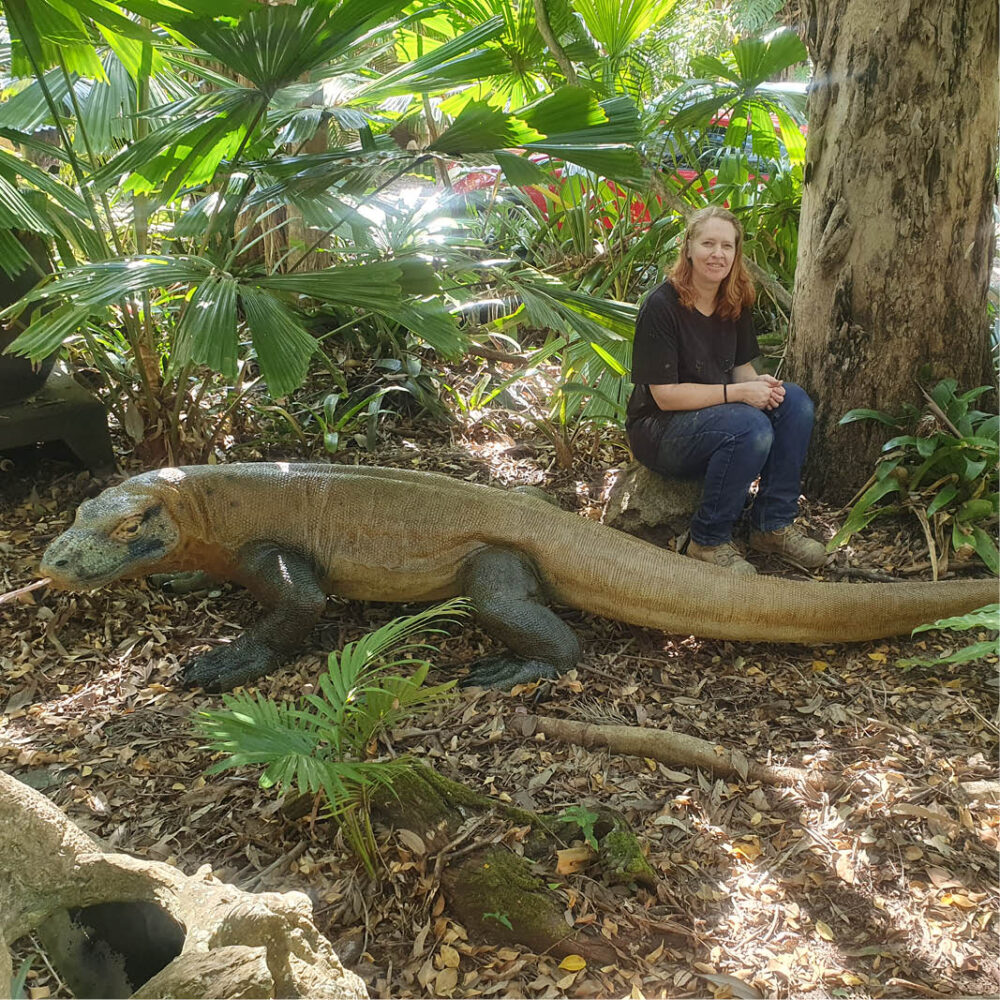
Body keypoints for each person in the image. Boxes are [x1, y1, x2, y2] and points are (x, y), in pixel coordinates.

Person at [626, 206, 825, 575]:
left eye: (727, 246)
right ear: (688, 248)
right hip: (661, 430)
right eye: (708, 243)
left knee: (794, 403)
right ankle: (708, 540)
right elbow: (664, 395)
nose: (718, 254)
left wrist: (758, 386)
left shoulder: (733, 298)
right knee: (752, 426)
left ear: (736, 253)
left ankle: (772, 525)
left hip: (719, 418)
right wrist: (739, 394)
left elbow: (740, 371)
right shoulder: (661, 305)